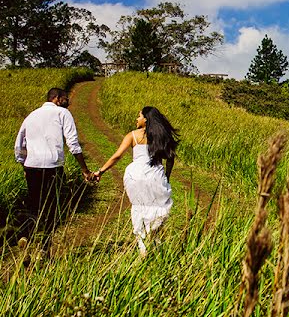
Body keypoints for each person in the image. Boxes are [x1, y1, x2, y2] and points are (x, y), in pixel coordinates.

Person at [94, 106, 178, 256]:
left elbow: (117, 156)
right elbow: (170, 158)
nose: (136, 119)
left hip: (135, 175)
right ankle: (155, 240)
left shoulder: (132, 135)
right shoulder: (162, 136)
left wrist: (100, 171)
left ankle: (142, 245)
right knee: (159, 207)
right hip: (155, 175)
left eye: (138, 116)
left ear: (146, 119)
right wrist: (167, 176)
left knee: (139, 206)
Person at [14, 87, 93, 243]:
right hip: (52, 167)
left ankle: (25, 236)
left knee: (34, 202)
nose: (68, 101)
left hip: (31, 166)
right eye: (65, 98)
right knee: (51, 207)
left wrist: (23, 165)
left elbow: (19, 145)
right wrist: (84, 169)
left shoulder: (31, 115)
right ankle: (44, 247)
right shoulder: (63, 113)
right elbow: (73, 143)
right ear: (56, 98)